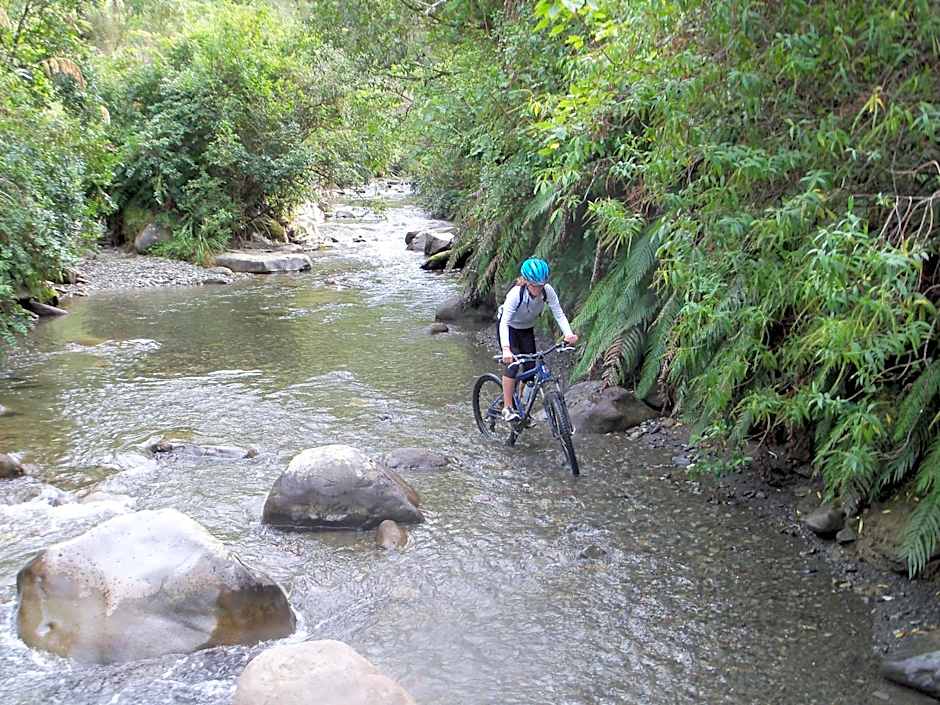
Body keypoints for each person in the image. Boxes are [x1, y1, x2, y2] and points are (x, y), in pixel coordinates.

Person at [497, 257, 578, 421]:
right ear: (526, 281)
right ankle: (507, 407)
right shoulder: (515, 294)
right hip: (509, 329)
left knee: (529, 372)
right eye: (534, 285)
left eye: (541, 285)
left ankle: (521, 405)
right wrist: (506, 349)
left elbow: (558, 313)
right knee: (512, 366)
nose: (538, 289)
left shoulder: (547, 291)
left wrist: (568, 334)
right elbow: (504, 322)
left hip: (526, 329)